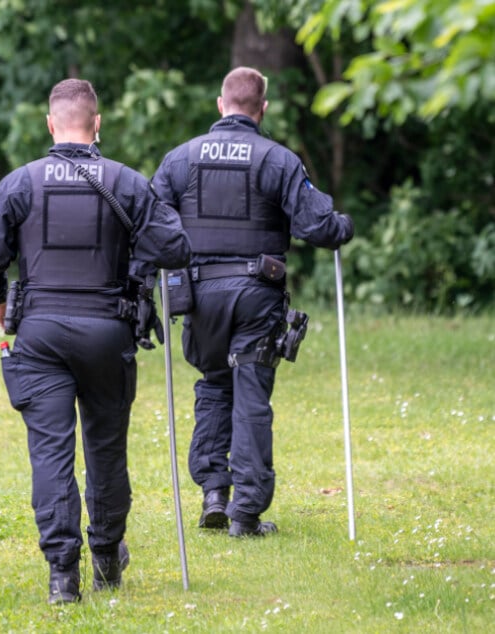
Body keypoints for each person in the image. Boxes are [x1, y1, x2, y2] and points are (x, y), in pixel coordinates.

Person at [0, 78, 191, 603]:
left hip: (40, 335)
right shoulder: (127, 183)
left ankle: (62, 576)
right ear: (97, 124)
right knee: (106, 449)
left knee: (50, 454)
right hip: (107, 333)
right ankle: (108, 558)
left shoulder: (20, 184)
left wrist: (1, 297)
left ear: (51, 124)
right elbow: (174, 246)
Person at [151, 66, 354, 538]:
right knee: (250, 396)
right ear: (262, 109)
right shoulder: (277, 159)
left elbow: (151, 224)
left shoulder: (179, 160)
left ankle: (213, 493)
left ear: (220, 105)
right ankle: (245, 513)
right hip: (255, 294)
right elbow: (317, 227)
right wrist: (343, 226)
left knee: (215, 385)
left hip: (198, 295)